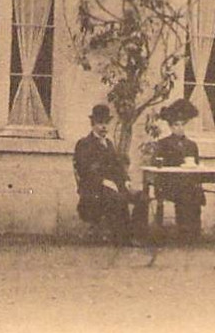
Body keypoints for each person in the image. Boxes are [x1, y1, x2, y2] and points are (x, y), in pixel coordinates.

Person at [73, 104, 144, 243]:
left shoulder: (109, 144)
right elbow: (84, 170)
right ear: (93, 124)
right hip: (93, 190)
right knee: (116, 198)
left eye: (106, 123)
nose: (104, 127)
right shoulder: (84, 144)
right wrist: (104, 181)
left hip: (114, 186)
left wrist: (126, 180)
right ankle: (122, 237)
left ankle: (136, 235)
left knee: (142, 197)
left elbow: (117, 167)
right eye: (100, 123)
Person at [151, 99, 205, 242]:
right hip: (169, 183)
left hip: (188, 183)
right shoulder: (163, 144)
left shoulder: (191, 145)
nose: (179, 128)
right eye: (176, 125)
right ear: (170, 127)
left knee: (194, 192)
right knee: (186, 193)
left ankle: (194, 232)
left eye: (182, 125)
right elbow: (156, 165)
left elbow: (196, 166)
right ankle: (184, 232)